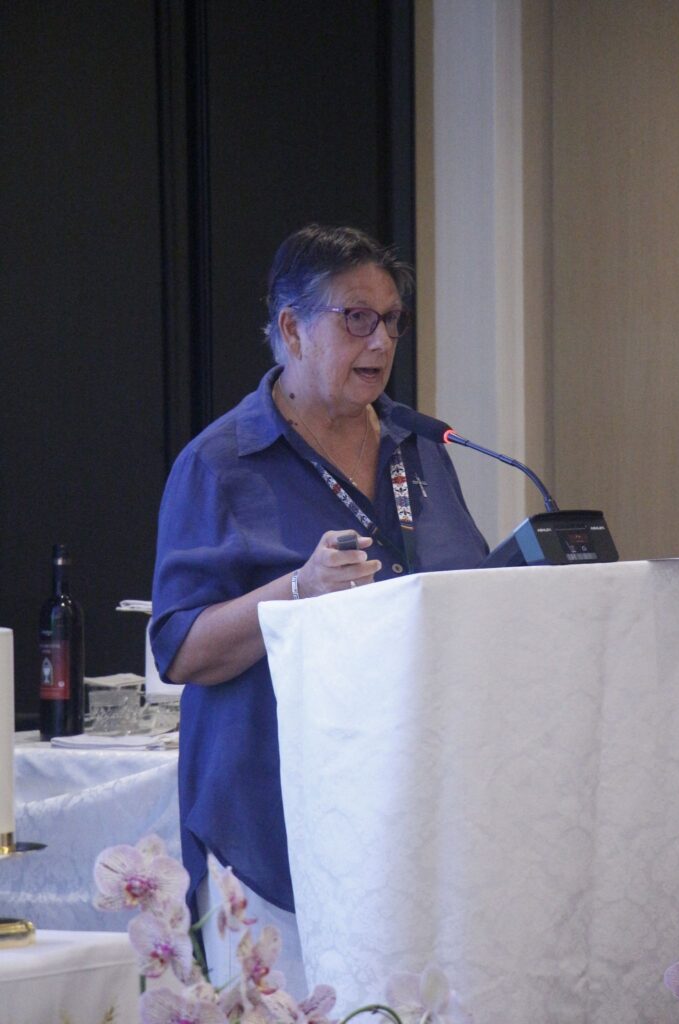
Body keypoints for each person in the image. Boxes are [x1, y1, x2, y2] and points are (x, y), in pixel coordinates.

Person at [150, 224, 488, 992]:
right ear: (292, 328)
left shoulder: (418, 449)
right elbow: (179, 649)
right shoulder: (221, 464)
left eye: (391, 320)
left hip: (417, 821)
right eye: (356, 318)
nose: (381, 341)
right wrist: (294, 591)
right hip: (273, 828)